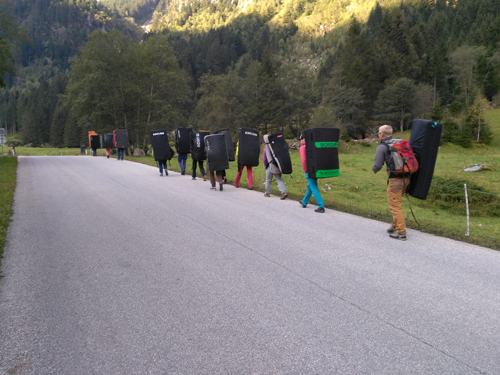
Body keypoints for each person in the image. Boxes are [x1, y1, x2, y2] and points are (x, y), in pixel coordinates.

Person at [372, 124, 410, 241]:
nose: (378, 135)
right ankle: (394, 225)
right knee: (396, 202)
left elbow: (378, 165)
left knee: (395, 205)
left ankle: (401, 232)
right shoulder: (399, 142)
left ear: (382, 135)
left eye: (378, 133)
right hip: (407, 178)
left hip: (396, 180)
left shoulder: (383, 147)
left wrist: (374, 170)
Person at [298, 134, 325, 213]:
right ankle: (304, 202)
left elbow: (304, 160)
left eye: (300, 139)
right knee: (310, 186)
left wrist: (306, 170)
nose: (300, 141)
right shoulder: (314, 146)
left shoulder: (303, 148)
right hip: (316, 169)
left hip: (309, 170)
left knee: (314, 188)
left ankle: (321, 206)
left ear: (303, 139)